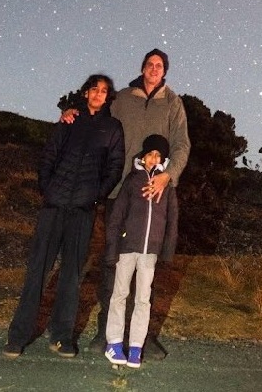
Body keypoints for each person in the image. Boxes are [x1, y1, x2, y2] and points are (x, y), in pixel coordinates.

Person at [61, 48, 190, 350]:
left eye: (159, 65)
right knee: (114, 261)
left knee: (148, 266)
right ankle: (108, 330)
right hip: (120, 190)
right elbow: (96, 111)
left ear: (165, 70)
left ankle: (144, 336)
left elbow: (182, 144)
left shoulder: (173, 103)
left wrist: (167, 175)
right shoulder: (121, 98)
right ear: (143, 68)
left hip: (154, 194)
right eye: (149, 64)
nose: (154, 69)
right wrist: (72, 111)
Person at [3, 74, 125, 359]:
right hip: (54, 206)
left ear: (108, 97)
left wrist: (95, 195)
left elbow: (115, 166)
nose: (98, 94)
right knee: (37, 272)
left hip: (83, 211)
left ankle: (61, 337)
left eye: (104, 91)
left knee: (71, 275)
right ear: (86, 93)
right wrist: (47, 189)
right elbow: (49, 156)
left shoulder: (112, 128)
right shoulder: (69, 121)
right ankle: (18, 336)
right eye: (94, 89)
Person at [104, 133, 178, 368]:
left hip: (150, 252)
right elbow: (117, 215)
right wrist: (112, 246)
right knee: (120, 294)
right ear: (143, 156)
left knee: (143, 299)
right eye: (150, 154)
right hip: (127, 248)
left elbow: (172, 219)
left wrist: (167, 250)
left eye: (158, 156)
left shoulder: (168, 186)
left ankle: (136, 346)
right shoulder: (132, 180)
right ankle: (114, 343)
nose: (154, 159)